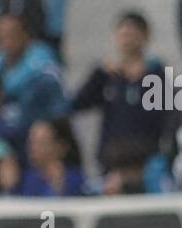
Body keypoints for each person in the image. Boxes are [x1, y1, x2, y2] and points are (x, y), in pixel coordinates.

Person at [70, 12, 166, 171]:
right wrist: (99, 74)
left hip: (144, 161)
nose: (126, 40)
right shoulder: (108, 77)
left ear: (145, 36)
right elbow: (78, 104)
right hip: (111, 159)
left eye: (132, 34)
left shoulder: (157, 76)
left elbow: (165, 118)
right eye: (122, 34)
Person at [0, 12, 67, 143]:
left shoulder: (42, 58)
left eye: (11, 34)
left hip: (37, 131)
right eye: (1, 36)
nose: (6, 40)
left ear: (26, 35)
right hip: (4, 133)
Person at [18, 117, 87, 198]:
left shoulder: (76, 179)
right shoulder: (29, 178)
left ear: (60, 146)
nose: (33, 148)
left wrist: (58, 185)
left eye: (41, 143)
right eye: (31, 142)